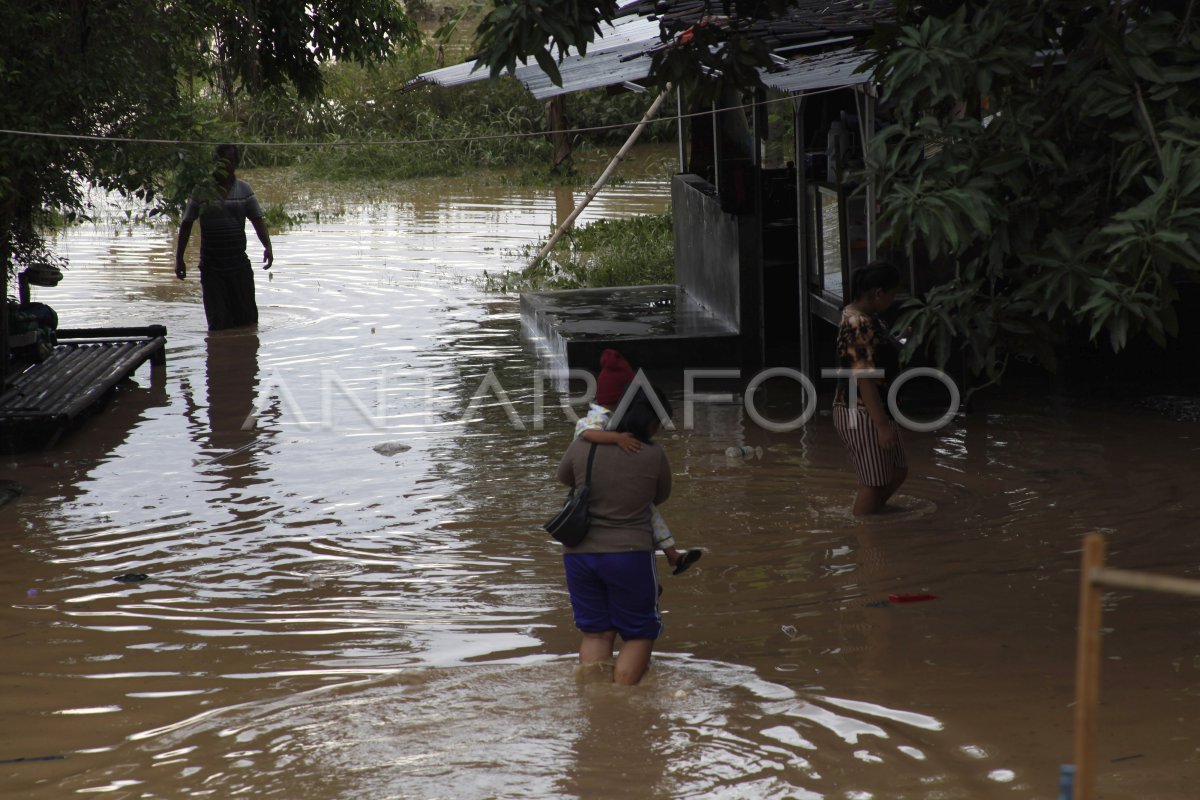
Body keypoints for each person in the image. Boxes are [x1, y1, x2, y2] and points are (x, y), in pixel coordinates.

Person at [557, 385, 674, 685]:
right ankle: (622, 701)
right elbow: (659, 496)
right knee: (639, 632)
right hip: (630, 555)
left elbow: (565, 479)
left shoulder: (582, 445)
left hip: (579, 555)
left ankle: (596, 701)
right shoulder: (653, 454)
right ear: (650, 422)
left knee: (596, 631)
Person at [574, 349, 701, 575]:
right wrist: (617, 439)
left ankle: (672, 555)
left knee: (648, 512)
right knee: (646, 510)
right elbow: (588, 434)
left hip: (592, 544)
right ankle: (671, 555)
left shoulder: (611, 417)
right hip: (602, 501)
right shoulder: (599, 416)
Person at [832, 260, 908, 516]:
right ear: (878, 293)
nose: (893, 299)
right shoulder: (858, 323)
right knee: (873, 484)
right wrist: (881, 425)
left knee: (897, 471)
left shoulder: (863, 317)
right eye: (892, 293)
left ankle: (873, 515)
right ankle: (868, 538)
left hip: (873, 408)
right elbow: (864, 377)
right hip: (861, 410)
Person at [175, 143, 274, 331]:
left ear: (236, 163)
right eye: (223, 161)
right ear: (216, 163)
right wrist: (179, 258)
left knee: (248, 321)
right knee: (218, 323)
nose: (227, 166)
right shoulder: (202, 190)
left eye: (230, 161)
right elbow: (187, 223)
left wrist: (268, 247)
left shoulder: (244, 190)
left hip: (238, 265)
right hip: (212, 267)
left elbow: (257, 220)